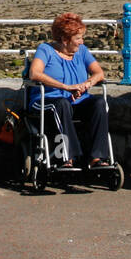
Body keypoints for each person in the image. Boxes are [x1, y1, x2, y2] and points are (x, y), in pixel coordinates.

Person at [28, 13, 111, 167]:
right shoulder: (45, 50)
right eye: (78, 38)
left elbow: (99, 73)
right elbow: (34, 73)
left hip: (77, 101)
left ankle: (97, 157)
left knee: (99, 103)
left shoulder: (82, 51)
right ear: (65, 40)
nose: (82, 41)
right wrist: (66, 87)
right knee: (61, 104)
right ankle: (67, 157)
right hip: (47, 101)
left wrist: (86, 84)